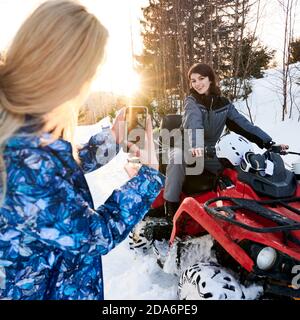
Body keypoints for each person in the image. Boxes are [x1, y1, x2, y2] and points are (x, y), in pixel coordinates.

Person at [0, 0, 164, 300]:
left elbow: (57, 166)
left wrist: (112, 140)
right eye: (88, 73)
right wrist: (148, 177)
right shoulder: (23, 161)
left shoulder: (20, 123)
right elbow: (95, 236)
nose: (86, 87)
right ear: (64, 72)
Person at [163, 62, 280, 218]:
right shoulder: (191, 101)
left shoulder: (223, 104)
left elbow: (244, 125)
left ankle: (248, 208)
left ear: (210, 79)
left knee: (239, 164)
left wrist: (268, 142)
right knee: (176, 158)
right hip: (187, 147)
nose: (197, 84)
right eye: (193, 80)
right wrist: (196, 146)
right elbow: (193, 124)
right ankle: (170, 207)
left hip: (211, 151)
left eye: (201, 78)